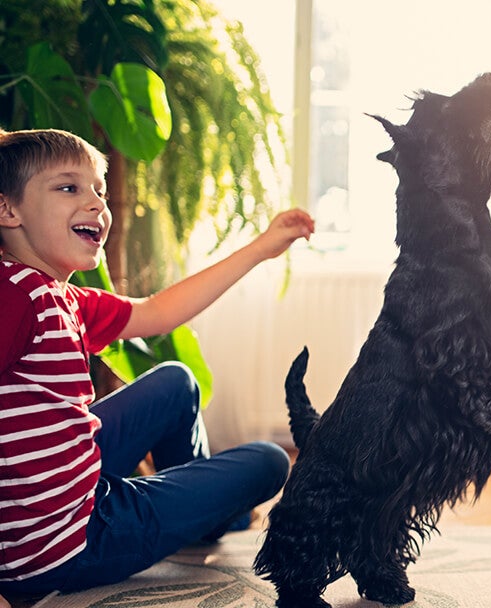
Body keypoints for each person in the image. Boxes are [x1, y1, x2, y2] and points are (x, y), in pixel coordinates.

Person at [0, 128, 315, 598]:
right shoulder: (15, 298)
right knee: (270, 462)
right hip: (70, 541)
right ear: (8, 209)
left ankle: (203, 515)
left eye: (98, 191)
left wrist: (260, 248)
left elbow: (158, 312)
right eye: (69, 188)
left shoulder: (55, 295)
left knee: (175, 381)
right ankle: (210, 514)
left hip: (71, 480)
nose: (95, 205)